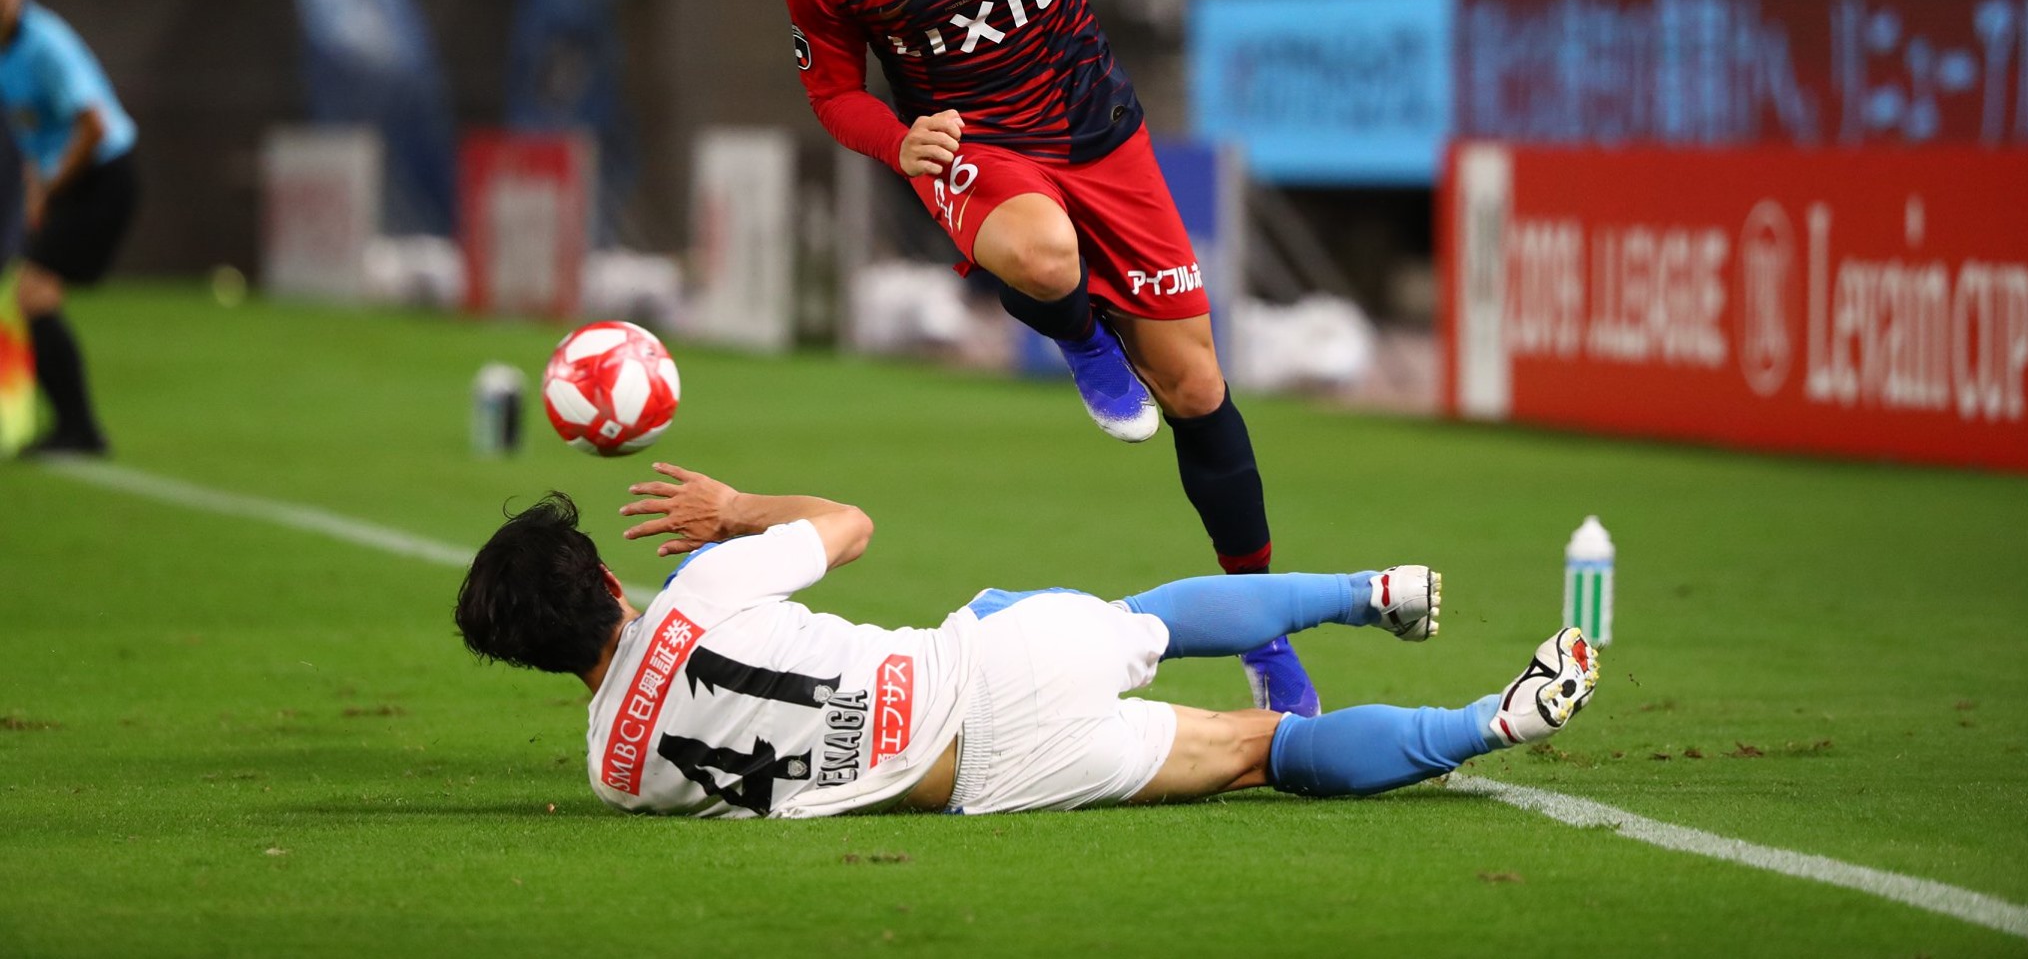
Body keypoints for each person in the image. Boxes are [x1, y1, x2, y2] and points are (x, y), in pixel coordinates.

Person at [782, 0, 1379, 717]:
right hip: (972, 152)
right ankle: (1082, 343)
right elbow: (832, 91)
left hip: (1099, 133)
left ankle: (1263, 640)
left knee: (1194, 388)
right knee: (1046, 256)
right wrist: (897, 141)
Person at [454, 464, 1600, 820]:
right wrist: (738, 509)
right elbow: (848, 527)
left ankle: (1488, 723)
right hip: (978, 668)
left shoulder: (613, 776)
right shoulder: (703, 584)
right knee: (1132, 619)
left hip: (986, 778)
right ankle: (1363, 590)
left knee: (1255, 751)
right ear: (610, 576)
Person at [0, 0, 140, 455]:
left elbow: (94, 126)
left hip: (104, 177)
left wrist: (54, 186)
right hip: (70, 183)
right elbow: (32, 135)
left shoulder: (45, 44)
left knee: (33, 292)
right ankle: (75, 428)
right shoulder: (4, 52)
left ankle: (78, 429)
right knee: (34, 295)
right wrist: (40, 190)